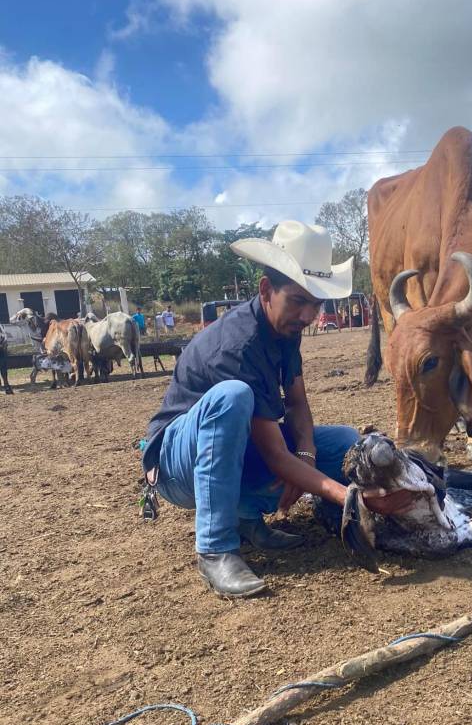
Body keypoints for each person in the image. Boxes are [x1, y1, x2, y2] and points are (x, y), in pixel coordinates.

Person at [142, 221, 413, 599]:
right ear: (266, 290)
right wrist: (349, 496)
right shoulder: (236, 346)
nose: (307, 316)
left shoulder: (285, 329)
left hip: (231, 449)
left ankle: (245, 518)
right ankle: (216, 547)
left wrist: (306, 454)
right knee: (232, 398)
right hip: (176, 464)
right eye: (298, 301)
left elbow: (298, 401)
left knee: (344, 442)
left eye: (316, 304)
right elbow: (272, 453)